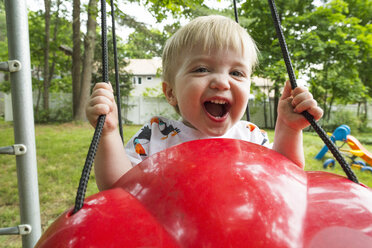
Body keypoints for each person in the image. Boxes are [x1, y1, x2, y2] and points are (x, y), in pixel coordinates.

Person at [86, 15, 323, 191]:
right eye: (201, 69)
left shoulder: (251, 137)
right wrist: (108, 133)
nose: (222, 82)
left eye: (237, 73)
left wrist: (289, 129)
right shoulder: (155, 137)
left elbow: (287, 177)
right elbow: (116, 187)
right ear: (171, 93)